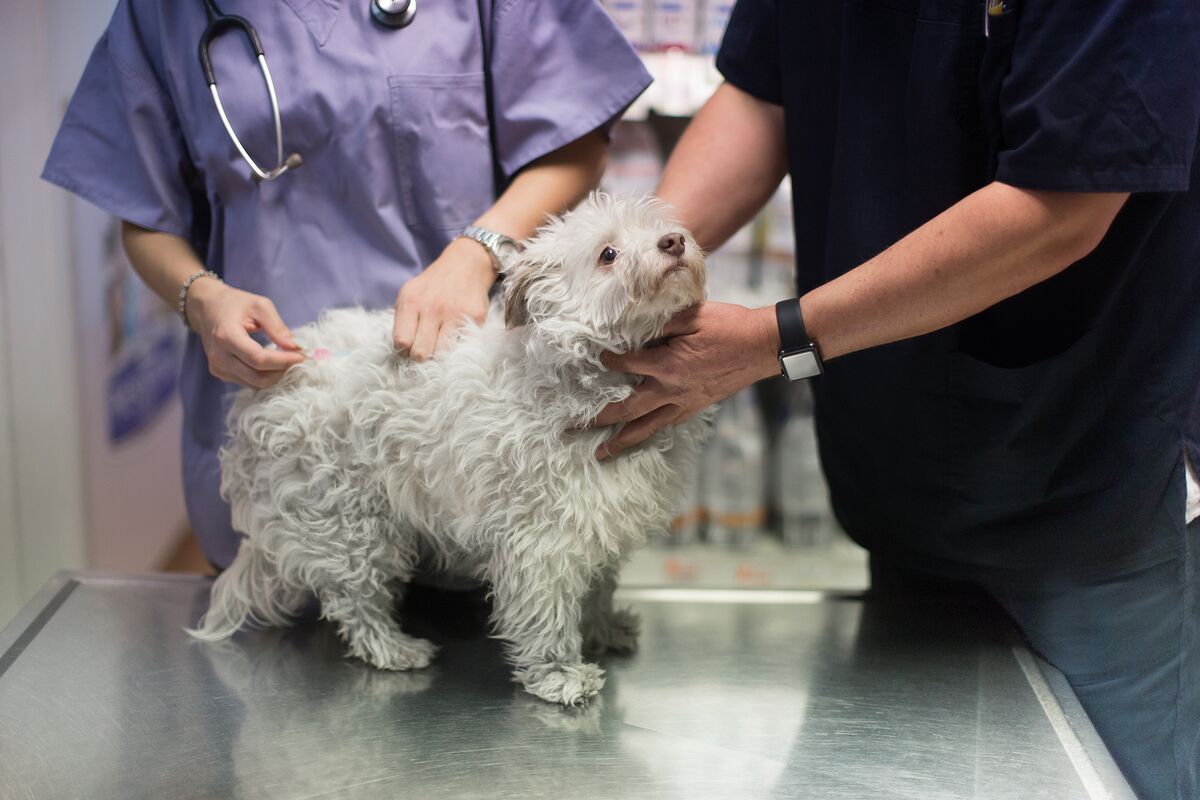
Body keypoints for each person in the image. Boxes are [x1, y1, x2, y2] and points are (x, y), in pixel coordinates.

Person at [592, 1, 1199, 797]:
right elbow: (760, 96)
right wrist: (625, 273)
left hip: (1085, 486)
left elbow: (1062, 208)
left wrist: (775, 340)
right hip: (899, 476)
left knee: (1109, 775)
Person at [43, 0, 650, 570]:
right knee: (284, 629)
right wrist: (201, 298)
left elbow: (578, 140)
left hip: (466, 423)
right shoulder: (164, 13)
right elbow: (144, 216)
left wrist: (480, 248)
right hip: (286, 417)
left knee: (504, 610)